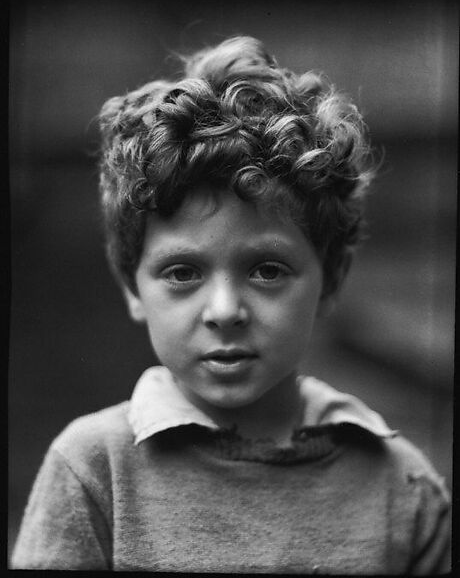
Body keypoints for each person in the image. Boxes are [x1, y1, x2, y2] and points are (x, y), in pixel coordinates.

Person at [11, 36, 451, 573]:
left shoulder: (402, 489)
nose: (224, 310)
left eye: (267, 270)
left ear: (331, 280)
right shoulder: (93, 470)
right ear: (132, 286)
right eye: (182, 273)